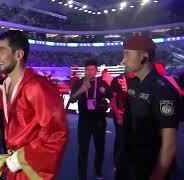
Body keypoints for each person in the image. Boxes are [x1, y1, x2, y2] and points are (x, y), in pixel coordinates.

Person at [0, 30, 68, 180]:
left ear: (18, 55)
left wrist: (20, 158)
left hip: (31, 169)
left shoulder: (37, 87)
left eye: (2, 50)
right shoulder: (6, 85)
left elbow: (56, 134)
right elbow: (12, 109)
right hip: (14, 169)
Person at [116, 35, 181, 180]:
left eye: (127, 54)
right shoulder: (133, 84)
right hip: (129, 163)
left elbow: (169, 146)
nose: (123, 60)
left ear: (144, 56)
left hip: (148, 167)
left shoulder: (163, 91)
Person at [69, 59, 112, 180]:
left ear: (96, 71)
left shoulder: (102, 83)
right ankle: (82, 176)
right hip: (84, 121)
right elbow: (71, 100)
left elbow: (112, 97)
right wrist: (81, 90)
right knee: (83, 149)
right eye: (87, 69)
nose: (88, 72)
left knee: (100, 148)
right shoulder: (79, 83)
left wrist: (107, 102)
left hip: (99, 120)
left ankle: (98, 171)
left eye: (91, 69)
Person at [110, 71, 135, 169]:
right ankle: (117, 162)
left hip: (133, 115)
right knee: (120, 139)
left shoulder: (137, 79)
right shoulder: (117, 80)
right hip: (120, 114)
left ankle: (130, 162)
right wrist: (118, 115)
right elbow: (112, 99)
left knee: (132, 139)